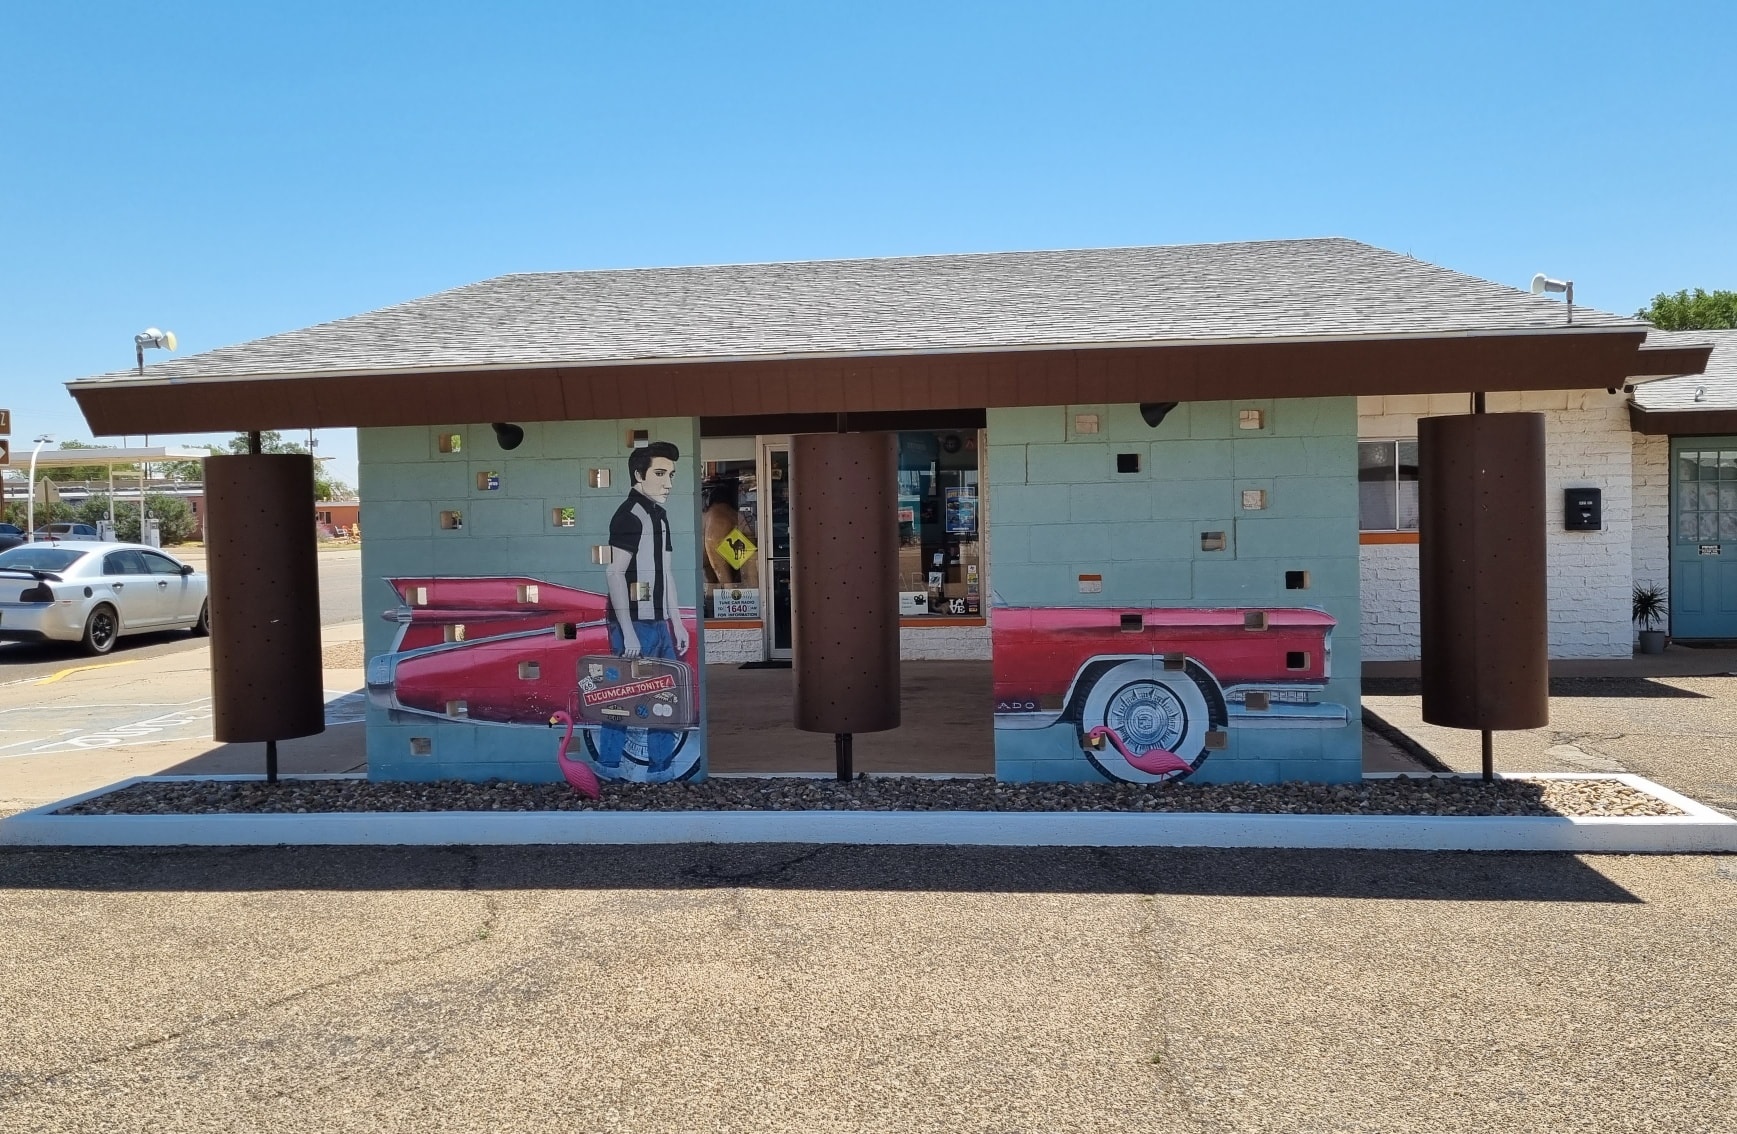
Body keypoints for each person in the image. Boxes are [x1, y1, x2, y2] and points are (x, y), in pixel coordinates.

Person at [598, 440, 690, 779]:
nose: (668, 482)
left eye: (672, 474)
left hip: (659, 622)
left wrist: (676, 623)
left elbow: (666, 572)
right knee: (623, 696)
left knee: (665, 696)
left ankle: (660, 770)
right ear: (639, 475)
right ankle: (610, 767)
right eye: (660, 473)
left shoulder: (660, 517)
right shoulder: (629, 515)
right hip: (634, 621)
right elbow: (614, 572)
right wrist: (628, 631)